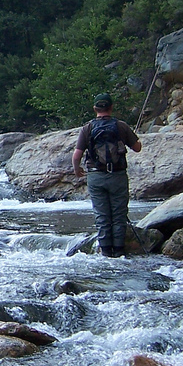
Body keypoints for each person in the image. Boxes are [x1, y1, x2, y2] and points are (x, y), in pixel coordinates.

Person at [71, 93, 142, 257]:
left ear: (95, 109)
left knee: (102, 216)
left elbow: (76, 156)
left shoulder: (87, 128)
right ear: (111, 107)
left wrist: (77, 170)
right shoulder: (121, 126)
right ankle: (118, 251)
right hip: (117, 175)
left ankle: (105, 252)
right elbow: (137, 148)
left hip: (95, 177)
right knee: (119, 215)